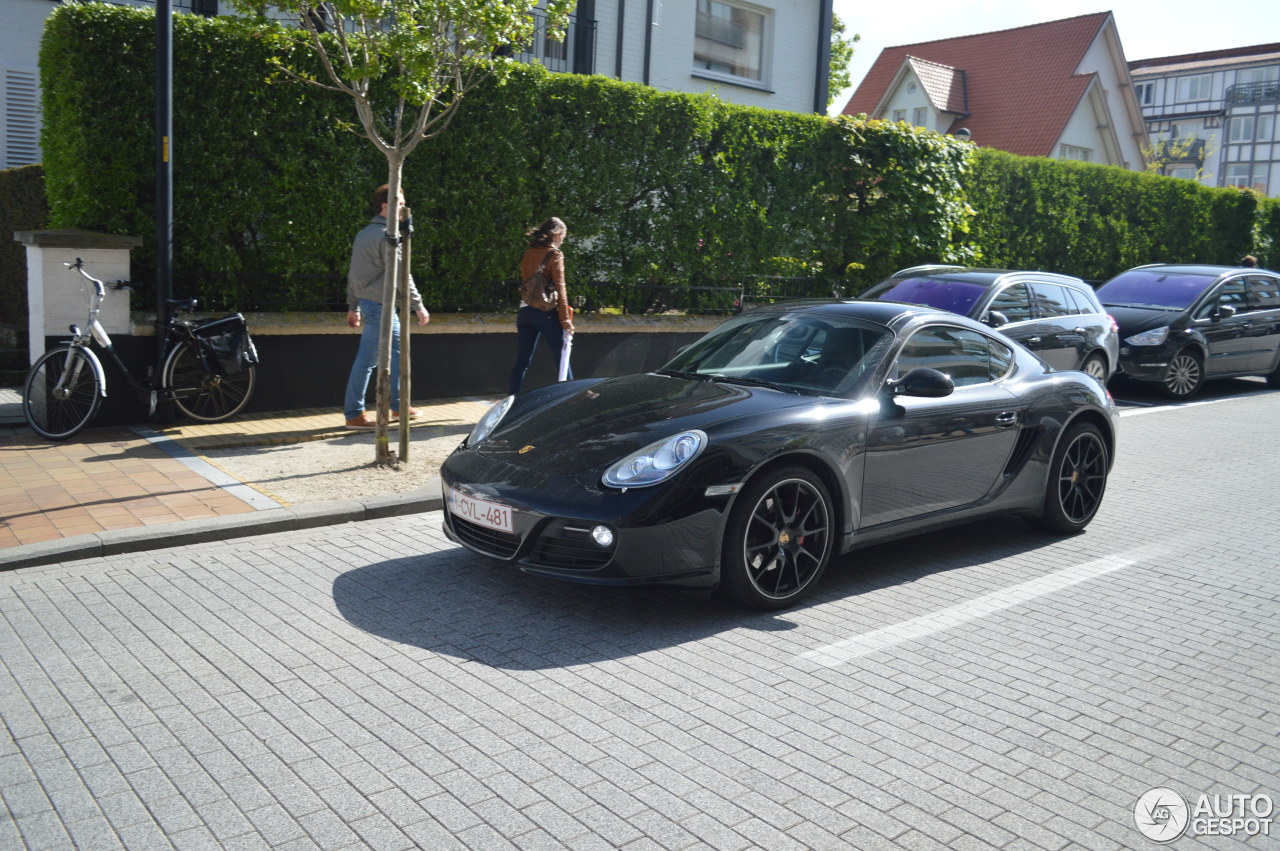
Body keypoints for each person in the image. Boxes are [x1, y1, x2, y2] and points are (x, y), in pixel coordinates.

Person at [343, 184, 430, 429]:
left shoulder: (363, 234)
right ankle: (355, 414)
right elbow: (404, 273)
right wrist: (418, 305)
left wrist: (353, 305)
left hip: (370, 303)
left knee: (393, 354)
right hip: (381, 305)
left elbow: (353, 274)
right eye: (400, 203)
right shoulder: (386, 237)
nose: (404, 208)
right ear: (385, 206)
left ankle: (397, 406)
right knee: (371, 360)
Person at [508, 217, 575, 394]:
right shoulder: (555, 255)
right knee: (561, 357)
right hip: (545, 314)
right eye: (563, 237)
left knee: (522, 361)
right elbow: (561, 288)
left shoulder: (529, 253)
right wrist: (566, 320)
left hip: (525, 312)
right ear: (557, 234)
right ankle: (574, 397)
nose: (563, 241)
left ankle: (511, 400)